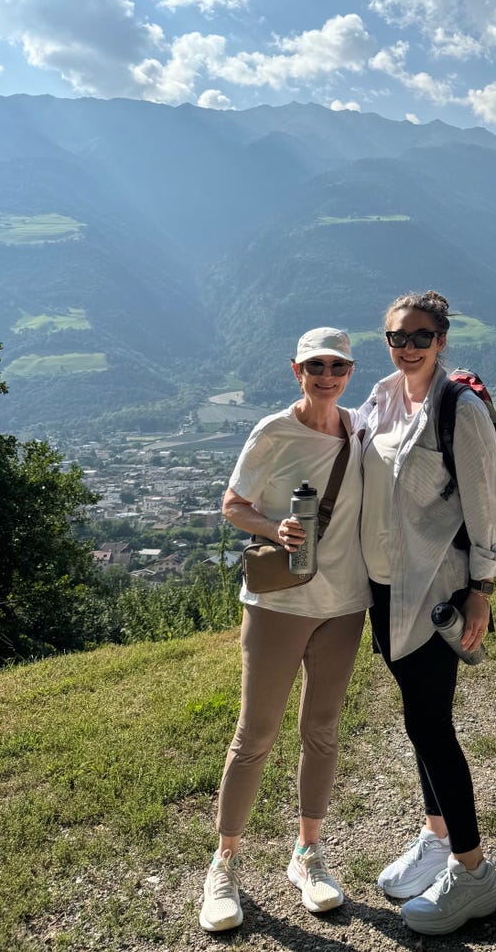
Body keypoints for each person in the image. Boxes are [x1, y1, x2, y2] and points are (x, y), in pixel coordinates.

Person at [198, 328, 370, 934]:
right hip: (277, 605)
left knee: (322, 730)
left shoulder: (360, 428)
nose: (327, 375)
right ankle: (225, 863)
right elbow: (232, 504)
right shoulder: (273, 430)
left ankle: (307, 854)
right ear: (296, 369)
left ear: (351, 370)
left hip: (345, 604)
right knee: (256, 734)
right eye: (315, 365)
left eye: (338, 365)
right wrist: (276, 531)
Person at [357, 290, 496, 936]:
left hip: (436, 591)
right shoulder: (383, 395)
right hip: (386, 588)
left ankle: (474, 874)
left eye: (421, 335)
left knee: (430, 725)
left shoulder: (461, 409)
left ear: (442, 338)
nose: (409, 346)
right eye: (398, 336)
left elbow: (488, 507)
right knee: (419, 721)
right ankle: (435, 834)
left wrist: (483, 587)